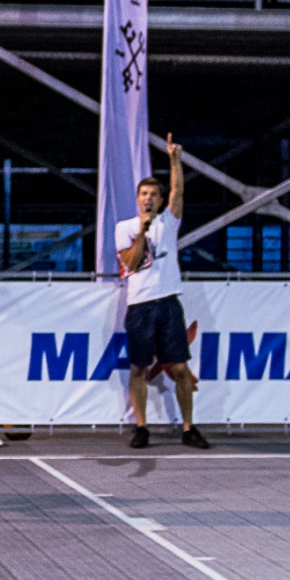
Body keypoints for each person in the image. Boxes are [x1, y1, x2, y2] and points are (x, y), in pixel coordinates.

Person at [115, 135, 209, 452]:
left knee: (180, 368)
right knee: (139, 368)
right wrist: (142, 230)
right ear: (137, 198)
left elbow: (178, 192)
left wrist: (174, 160)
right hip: (140, 306)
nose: (149, 198)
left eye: (154, 194)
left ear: (159, 199)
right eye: (144, 194)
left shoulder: (168, 222)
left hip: (168, 303)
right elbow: (130, 262)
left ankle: (188, 428)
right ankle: (141, 427)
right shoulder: (125, 227)